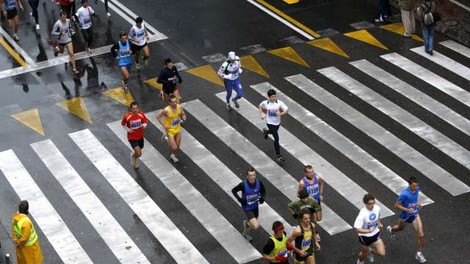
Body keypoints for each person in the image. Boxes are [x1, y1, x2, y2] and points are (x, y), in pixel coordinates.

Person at [387, 176, 427, 263]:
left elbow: (414, 199)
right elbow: (396, 205)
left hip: (415, 214)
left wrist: (418, 203)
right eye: (413, 186)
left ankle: (419, 253)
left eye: (416, 186)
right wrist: (407, 209)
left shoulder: (417, 189)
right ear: (409, 184)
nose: (415, 188)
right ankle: (391, 230)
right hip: (405, 215)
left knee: (421, 235)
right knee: (400, 228)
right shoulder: (404, 194)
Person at [231, 167, 266, 242]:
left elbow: (263, 192)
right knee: (256, 226)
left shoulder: (259, 183)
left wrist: (262, 198)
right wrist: (239, 199)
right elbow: (233, 190)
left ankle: (246, 227)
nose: (252, 177)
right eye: (250, 175)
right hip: (247, 207)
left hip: (255, 206)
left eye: (254, 175)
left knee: (253, 224)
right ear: (247, 176)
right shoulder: (243, 185)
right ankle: (246, 227)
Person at [354, 194, 386, 264]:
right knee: (364, 254)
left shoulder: (377, 208)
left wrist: (379, 223)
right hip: (365, 237)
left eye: (373, 203)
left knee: (382, 253)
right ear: (365, 203)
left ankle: (370, 251)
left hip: (375, 234)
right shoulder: (362, 214)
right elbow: (357, 229)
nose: (372, 205)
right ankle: (360, 261)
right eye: (370, 204)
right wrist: (368, 231)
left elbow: (378, 217)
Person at [259, 89, 288, 162]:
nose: (273, 98)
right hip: (269, 122)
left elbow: (286, 110)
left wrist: (280, 114)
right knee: (276, 138)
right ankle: (279, 156)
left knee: (273, 132)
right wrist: (261, 114)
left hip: (277, 122)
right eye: (272, 97)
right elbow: (260, 106)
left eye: (274, 96)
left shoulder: (279, 103)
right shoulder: (265, 103)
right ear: (269, 97)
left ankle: (266, 132)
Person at [156, 94, 187, 163]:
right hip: (170, 130)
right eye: (173, 102)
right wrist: (164, 125)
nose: (174, 103)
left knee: (177, 147)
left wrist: (184, 117)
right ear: (169, 103)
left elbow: (182, 113)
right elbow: (158, 117)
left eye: (175, 101)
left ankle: (173, 155)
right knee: (174, 147)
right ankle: (166, 138)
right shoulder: (166, 110)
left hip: (178, 129)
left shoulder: (179, 107)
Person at [298, 165, 324, 241]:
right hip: (309, 205)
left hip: (317, 202)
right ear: (305, 173)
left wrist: (321, 194)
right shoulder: (302, 183)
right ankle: (314, 233)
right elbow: (298, 194)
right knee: (314, 221)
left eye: (312, 171)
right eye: (309, 172)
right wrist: (306, 198)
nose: (312, 174)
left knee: (319, 219)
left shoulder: (317, 178)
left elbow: (322, 184)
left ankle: (308, 229)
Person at [121, 101, 148, 169]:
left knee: (140, 150)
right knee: (139, 153)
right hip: (132, 137)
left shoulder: (141, 114)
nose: (135, 110)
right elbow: (123, 124)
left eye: (136, 108)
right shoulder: (127, 116)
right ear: (131, 109)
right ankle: (134, 158)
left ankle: (133, 155)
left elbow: (145, 122)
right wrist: (128, 130)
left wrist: (144, 126)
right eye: (133, 108)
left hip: (140, 136)